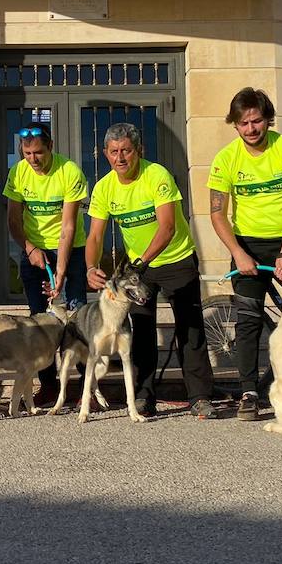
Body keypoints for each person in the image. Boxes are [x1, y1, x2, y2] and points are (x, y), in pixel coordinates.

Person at [84, 123, 214, 421]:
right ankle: (143, 396)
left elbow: (167, 226)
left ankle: (200, 397)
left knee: (189, 329)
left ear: (138, 151)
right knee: (140, 332)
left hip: (175, 259)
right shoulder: (104, 187)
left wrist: (142, 261)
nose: (121, 158)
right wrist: (91, 267)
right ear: (105, 154)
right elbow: (93, 237)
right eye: (114, 152)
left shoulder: (157, 175)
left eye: (126, 151)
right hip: (140, 269)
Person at [206, 87, 282, 420]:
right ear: (235, 125)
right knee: (248, 320)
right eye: (244, 123)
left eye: (257, 121)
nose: (251, 129)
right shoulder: (226, 158)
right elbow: (217, 214)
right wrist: (238, 253)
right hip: (247, 244)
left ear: (267, 119)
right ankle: (249, 392)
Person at [2, 121, 88, 406]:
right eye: (27, 154)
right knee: (40, 321)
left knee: (76, 318)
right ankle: (49, 385)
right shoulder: (18, 172)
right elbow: (13, 219)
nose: (33, 160)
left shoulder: (69, 171)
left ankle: (86, 386)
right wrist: (29, 249)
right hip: (34, 252)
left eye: (38, 153)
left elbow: (68, 227)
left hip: (70, 251)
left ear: (50, 146)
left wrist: (60, 271)